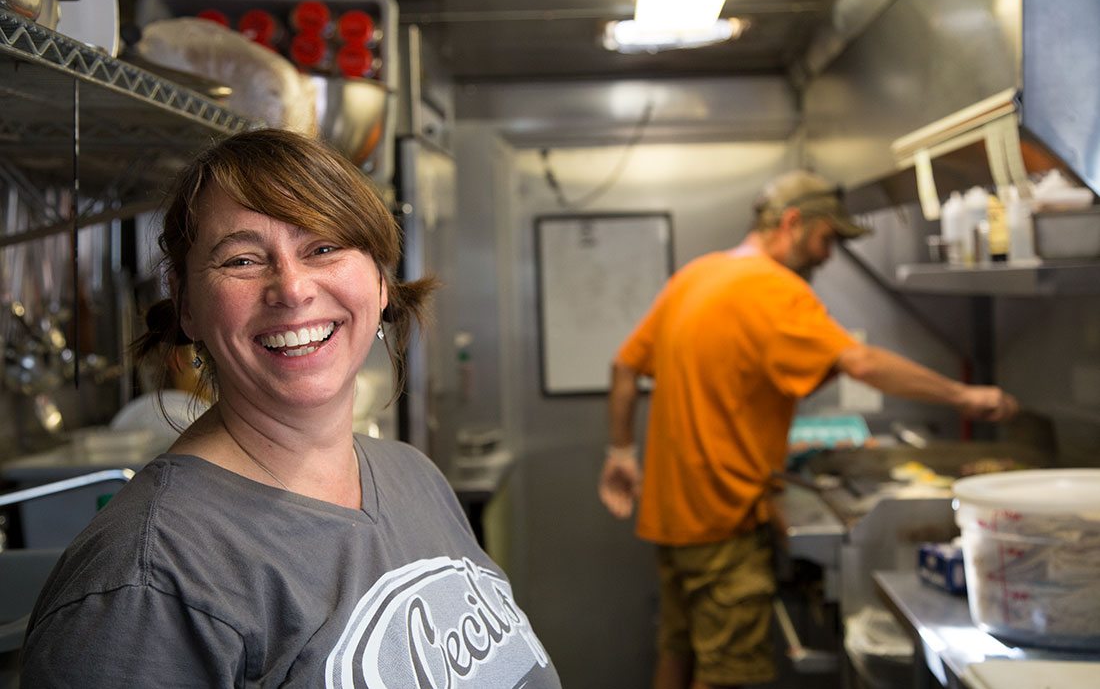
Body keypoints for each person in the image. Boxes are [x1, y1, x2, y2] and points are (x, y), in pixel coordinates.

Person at [21, 129, 561, 688]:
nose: (292, 289)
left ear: (379, 280)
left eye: (323, 247)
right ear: (185, 304)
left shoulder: (413, 477)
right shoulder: (147, 581)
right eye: (243, 259)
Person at [597, 170, 1018, 689]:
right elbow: (860, 362)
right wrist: (966, 397)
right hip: (723, 519)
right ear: (791, 223)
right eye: (826, 239)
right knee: (729, 674)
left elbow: (623, 367)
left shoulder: (698, 274)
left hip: (671, 513)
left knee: (678, 651)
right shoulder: (774, 288)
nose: (828, 255)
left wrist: (621, 453)